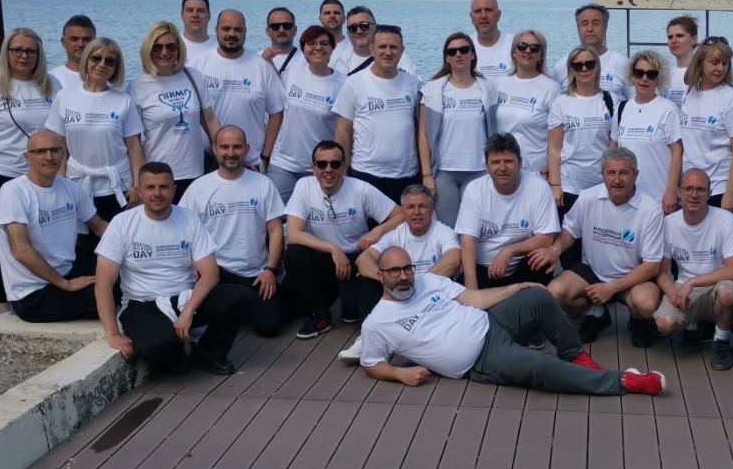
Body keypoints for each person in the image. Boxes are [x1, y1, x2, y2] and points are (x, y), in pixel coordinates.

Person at [358, 248, 667, 397]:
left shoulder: (428, 280)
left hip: (491, 321)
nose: (404, 276)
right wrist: (399, 373)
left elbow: (474, 298)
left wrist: (516, 288)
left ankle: (575, 355)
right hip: (481, 359)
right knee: (539, 365)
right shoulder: (377, 323)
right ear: (381, 275)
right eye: (395, 271)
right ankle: (623, 382)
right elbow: (371, 363)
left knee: (537, 296)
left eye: (407, 269)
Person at [94, 161, 247, 376]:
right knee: (160, 350)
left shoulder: (189, 218)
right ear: (139, 191)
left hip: (185, 298)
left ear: (174, 189)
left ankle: (208, 355)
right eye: (150, 187)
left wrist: (188, 310)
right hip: (142, 304)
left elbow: (211, 274)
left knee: (239, 297)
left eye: (164, 187)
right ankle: (175, 349)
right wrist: (113, 334)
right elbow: (103, 285)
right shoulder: (121, 224)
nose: (157, 193)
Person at [0, 26, 56, 308]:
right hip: (2, 175)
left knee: (44, 238)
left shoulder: (52, 85)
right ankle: (2, 305)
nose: (23, 56)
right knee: (0, 243)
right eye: (17, 50)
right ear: (7, 53)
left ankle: (43, 295)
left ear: (39, 55)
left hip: (42, 177)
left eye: (30, 51)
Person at [282, 139, 405, 339]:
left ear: (344, 167)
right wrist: (333, 249)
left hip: (354, 259)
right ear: (313, 168)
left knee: (353, 312)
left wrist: (377, 231)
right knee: (294, 254)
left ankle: (347, 301)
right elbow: (294, 234)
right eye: (322, 164)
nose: (328, 170)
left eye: (335, 164)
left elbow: (401, 215)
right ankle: (320, 314)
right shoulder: (304, 186)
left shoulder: (361, 188)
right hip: (323, 257)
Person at [542, 146, 664, 345]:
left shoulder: (651, 209)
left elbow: (651, 266)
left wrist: (611, 288)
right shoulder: (587, 197)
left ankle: (638, 319)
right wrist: (555, 250)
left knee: (646, 303)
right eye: (611, 173)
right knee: (555, 292)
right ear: (602, 175)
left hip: (632, 277)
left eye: (624, 173)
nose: (617, 179)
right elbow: (569, 231)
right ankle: (596, 313)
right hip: (593, 272)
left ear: (636, 174)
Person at [178, 125, 286, 339]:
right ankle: (239, 305)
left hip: (255, 275)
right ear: (214, 148)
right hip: (216, 273)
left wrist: (270, 270)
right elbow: (183, 231)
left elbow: (275, 230)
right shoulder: (199, 187)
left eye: (237, 147)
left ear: (247, 149)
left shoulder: (263, 183)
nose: (231, 152)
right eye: (225, 147)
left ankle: (244, 304)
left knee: (270, 326)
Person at [0, 130, 110, 322]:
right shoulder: (13, 192)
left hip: (67, 271)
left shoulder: (70, 188)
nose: (49, 157)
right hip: (33, 293)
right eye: (40, 151)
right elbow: (21, 251)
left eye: (55, 150)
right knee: (106, 294)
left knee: (121, 271)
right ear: (27, 157)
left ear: (63, 153)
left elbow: (99, 227)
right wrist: (66, 284)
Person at [342, 182, 462, 363]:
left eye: (422, 206)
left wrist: (417, 285)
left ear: (431, 209)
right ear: (403, 211)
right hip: (400, 292)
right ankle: (367, 338)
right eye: (411, 207)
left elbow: (453, 260)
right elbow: (363, 260)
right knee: (370, 280)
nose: (416, 212)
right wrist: (390, 281)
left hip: (431, 297)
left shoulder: (444, 231)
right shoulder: (395, 234)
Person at [44, 37, 145, 222]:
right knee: (80, 239)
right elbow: (59, 146)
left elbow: (134, 147)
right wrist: (59, 184)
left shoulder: (124, 101)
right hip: (76, 186)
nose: (102, 64)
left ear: (116, 68)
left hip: (118, 188)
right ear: (86, 60)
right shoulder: (64, 97)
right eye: (96, 58)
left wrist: (137, 187)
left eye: (109, 61)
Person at [655, 168, 733, 369]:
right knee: (663, 325)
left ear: (709, 193)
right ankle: (692, 326)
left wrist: (692, 282)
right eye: (688, 189)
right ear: (679, 192)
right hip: (684, 288)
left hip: (717, 285)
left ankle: (721, 340)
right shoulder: (669, 223)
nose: (694, 195)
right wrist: (673, 293)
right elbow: (661, 271)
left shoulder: (725, 219)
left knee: (728, 293)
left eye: (700, 190)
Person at [455, 132, 560, 289]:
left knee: (543, 258)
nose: (502, 168)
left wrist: (509, 251)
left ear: (520, 163)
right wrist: (471, 286)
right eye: (496, 162)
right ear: (487, 166)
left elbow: (546, 237)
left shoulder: (539, 188)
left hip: (522, 266)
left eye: (508, 161)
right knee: (463, 287)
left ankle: (531, 299)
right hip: (485, 269)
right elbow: (468, 240)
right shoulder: (474, 190)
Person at [130, 21, 221, 198]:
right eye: (157, 47)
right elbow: (134, 143)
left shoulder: (193, 76)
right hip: (159, 177)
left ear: (179, 49)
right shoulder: (137, 87)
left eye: (171, 46)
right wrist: (139, 182)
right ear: (148, 50)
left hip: (196, 171)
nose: (164, 52)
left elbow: (209, 119)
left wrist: (224, 152)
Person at [336, 25, 422, 203]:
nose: (388, 52)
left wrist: (424, 171)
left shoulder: (413, 84)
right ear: (372, 49)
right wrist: (343, 170)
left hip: (406, 175)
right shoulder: (354, 83)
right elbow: (342, 130)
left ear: (402, 51)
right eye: (382, 47)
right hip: (365, 173)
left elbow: (420, 130)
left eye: (393, 47)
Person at [419, 31, 496, 225]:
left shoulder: (488, 89)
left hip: (478, 169)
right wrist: (427, 175)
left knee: (476, 226)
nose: (458, 54)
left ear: (473, 54)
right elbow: (423, 136)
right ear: (447, 58)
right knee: (448, 226)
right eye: (452, 52)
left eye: (463, 50)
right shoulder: (432, 90)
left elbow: (495, 131)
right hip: (444, 171)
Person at [201, 10, 285, 170]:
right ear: (216, 30)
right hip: (207, 160)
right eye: (226, 28)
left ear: (245, 32)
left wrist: (265, 158)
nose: (232, 34)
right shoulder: (199, 65)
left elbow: (276, 113)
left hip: (251, 162)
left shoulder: (261, 66)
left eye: (238, 29)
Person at [269, 25, 344, 202]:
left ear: (332, 48)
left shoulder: (343, 83)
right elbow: (273, 96)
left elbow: (345, 130)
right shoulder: (293, 71)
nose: (318, 48)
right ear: (303, 48)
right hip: (283, 164)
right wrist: (267, 61)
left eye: (324, 43)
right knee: (275, 214)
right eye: (311, 43)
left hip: (322, 167)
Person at [679, 37, 733, 212]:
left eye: (725, 63)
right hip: (690, 186)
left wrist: (730, 193)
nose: (720, 68)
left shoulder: (730, 98)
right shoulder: (689, 92)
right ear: (700, 62)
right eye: (714, 62)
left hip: (718, 188)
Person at [547, 44, 615, 215]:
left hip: (601, 185)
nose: (584, 69)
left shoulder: (609, 100)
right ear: (571, 70)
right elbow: (554, 148)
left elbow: (613, 144)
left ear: (597, 66)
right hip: (570, 185)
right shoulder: (561, 103)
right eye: (578, 65)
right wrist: (555, 185)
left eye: (589, 64)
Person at [613, 49, 682, 211]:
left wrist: (672, 190)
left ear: (659, 79)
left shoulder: (668, 109)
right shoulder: (621, 108)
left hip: (658, 198)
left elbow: (677, 152)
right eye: (639, 73)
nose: (644, 78)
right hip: (626, 197)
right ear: (632, 76)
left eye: (651, 74)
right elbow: (613, 147)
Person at [493, 29, 560, 176]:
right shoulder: (499, 83)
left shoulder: (551, 88)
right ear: (514, 52)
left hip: (535, 170)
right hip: (503, 169)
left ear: (541, 55)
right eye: (522, 46)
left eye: (535, 48)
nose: (528, 51)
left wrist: (552, 164)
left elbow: (558, 134)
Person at [550, 3, 629, 98]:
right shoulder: (562, 65)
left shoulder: (623, 63)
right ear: (578, 28)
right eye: (584, 24)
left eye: (595, 23)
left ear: (605, 27)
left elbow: (635, 102)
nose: (590, 29)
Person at [330, 5, 416, 75]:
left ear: (376, 27)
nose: (359, 31)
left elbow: (413, 86)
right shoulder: (336, 59)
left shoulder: (397, 58)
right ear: (348, 34)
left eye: (364, 26)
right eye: (353, 28)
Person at [469, 0, 512, 77]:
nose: (483, 16)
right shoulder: (463, 48)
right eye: (478, 11)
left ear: (498, 15)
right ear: (471, 17)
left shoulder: (515, 45)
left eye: (488, 10)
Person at [50, 14, 96, 92]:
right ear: (63, 42)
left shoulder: (106, 79)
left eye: (86, 39)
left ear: (95, 42)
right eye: (74, 39)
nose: (80, 44)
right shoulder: (51, 79)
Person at [662, 15, 698, 107]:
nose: (673, 41)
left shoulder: (702, 73)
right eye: (670, 37)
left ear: (694, 39)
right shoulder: (666, 74)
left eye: (679, 36)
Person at [261, 6, 304, 78]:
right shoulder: (258, 59)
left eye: (287, 26)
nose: (281, 30)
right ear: (267, 31)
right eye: (275, 26)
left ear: (295, 30)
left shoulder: (307, 60)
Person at [180, 0, 216, 67]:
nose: (195, 15)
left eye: (201, 11)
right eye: (189, 10)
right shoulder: (172, 45)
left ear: (209, 16)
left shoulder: (220, 47)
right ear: (182, 15)